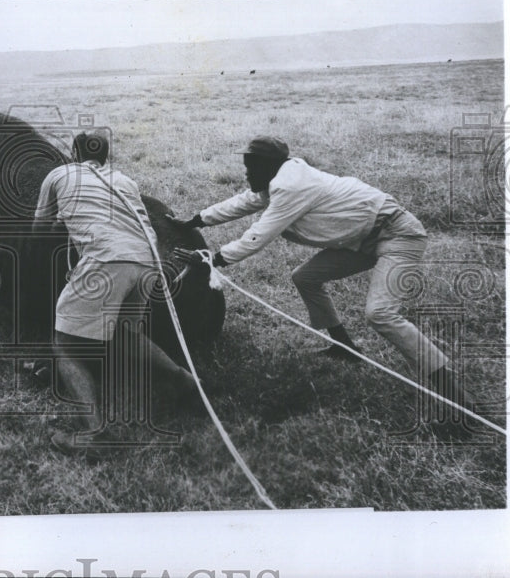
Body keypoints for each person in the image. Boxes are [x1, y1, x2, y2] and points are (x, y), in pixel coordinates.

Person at [167, 136, 473, 409]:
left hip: (397, 234)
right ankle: (346, 347)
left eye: (251, 168)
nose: (246, 174)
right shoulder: (277, 179)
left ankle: (462, 402)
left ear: (270, 166)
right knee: (306, 278)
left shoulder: (290, 186)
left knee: (380, 314)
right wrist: (194, 221)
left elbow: (259, 234)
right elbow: (243, 202)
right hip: (360, 240)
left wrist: (214, 258)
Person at [34, 131, 198, 456]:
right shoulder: (125, 180)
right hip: (148, 261)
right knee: (125, 334)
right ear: (105, 156)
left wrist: (61, 222)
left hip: (107, 259)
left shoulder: (59, 174)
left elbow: (39, 229)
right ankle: (187, 383)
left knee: (64, 344)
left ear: (74, 151)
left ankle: (96, 434)